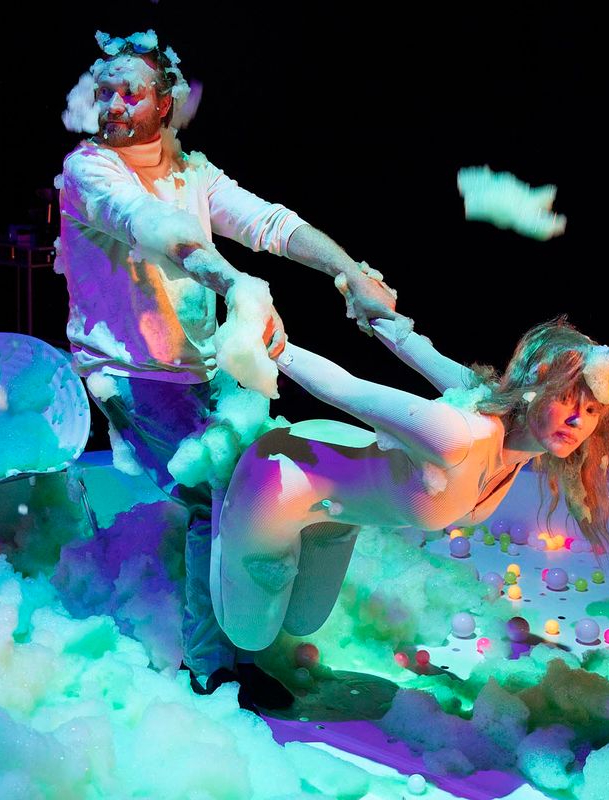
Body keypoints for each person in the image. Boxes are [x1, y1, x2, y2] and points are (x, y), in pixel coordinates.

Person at [55, 30, 397, 710]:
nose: (114, 105)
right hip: (131, 372)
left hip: (196, 368)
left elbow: (269, 223)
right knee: (217, 499)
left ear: (164, 103)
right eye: (106, 91)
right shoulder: (88, 169)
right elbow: (154, 228)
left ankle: (246, 639)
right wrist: (241, 289)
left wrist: (349, 272)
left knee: (261, 489)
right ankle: (212, 669)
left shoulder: (193, 173)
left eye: (131, 93)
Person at [210, 314, 609, 652]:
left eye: (590, 410)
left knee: (303, 622)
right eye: (565, 400)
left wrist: (379, 314)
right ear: (534, 388)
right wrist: (275, 346)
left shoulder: (508, 428)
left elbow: (422, 353)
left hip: (338, 511)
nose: (576, 420)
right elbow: (347, 389)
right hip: (281, 478)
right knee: (250, 636)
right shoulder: (458, 436)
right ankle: (212, 502)